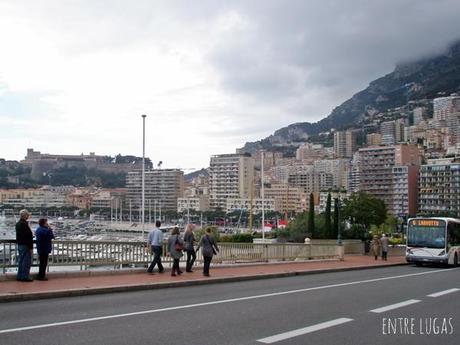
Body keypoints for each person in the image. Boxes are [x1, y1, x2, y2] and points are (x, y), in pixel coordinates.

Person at [15, 209, 34, 282]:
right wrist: (30, 247)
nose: (28, 216)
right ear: (25, 215)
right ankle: (25, 276)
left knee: (21, 261)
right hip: (26, 245)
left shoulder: (18, 223)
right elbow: (27, 236)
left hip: (20, 244)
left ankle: (19, 276)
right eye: (27, 215)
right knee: (26, 262)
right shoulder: (24, 224)